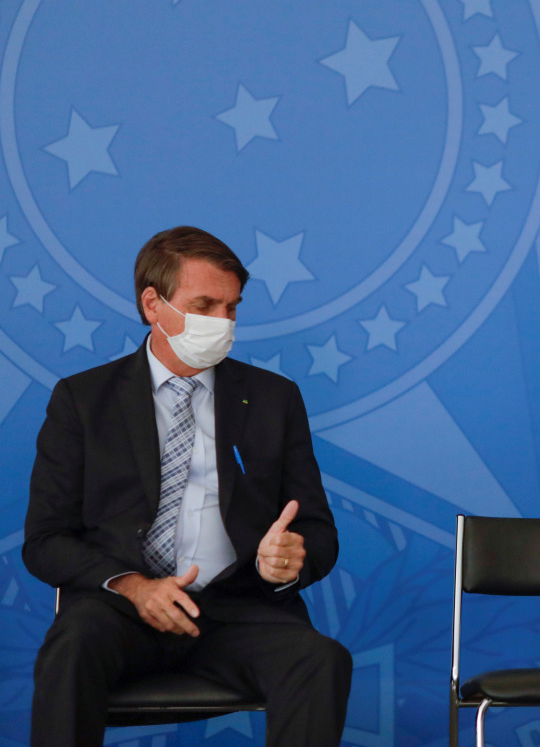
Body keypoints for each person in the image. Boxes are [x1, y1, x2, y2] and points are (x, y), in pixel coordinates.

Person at [23, 226, 352, 747]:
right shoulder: (83, 400)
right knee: (71, 647)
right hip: (121, 609)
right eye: (204, 306)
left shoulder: (274, 399)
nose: (222, 322)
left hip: (238, 608)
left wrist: (288, 561)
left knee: (320, 660)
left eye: (232, 308)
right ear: (153, 304)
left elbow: (316, 530)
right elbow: (45, 540)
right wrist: (133, 586)